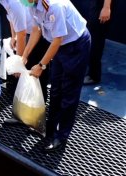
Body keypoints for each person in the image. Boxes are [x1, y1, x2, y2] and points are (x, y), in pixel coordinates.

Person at [21, 0, 91, 151]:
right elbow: (36, 29)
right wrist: (25, 54)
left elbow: (58, 39)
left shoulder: (54, 6)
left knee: (69, 93)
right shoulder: (33, 5)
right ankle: (50, 129)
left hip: (75, 46)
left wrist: (41, 65)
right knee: (55, 88)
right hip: (59, 45)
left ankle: (61, 136)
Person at [83, 0, 112, 85]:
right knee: (93, 35)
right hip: (98, 4)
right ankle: (91, 71)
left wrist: (106, 7)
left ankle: (94, 76)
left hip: (103, 5)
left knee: (96, 39)